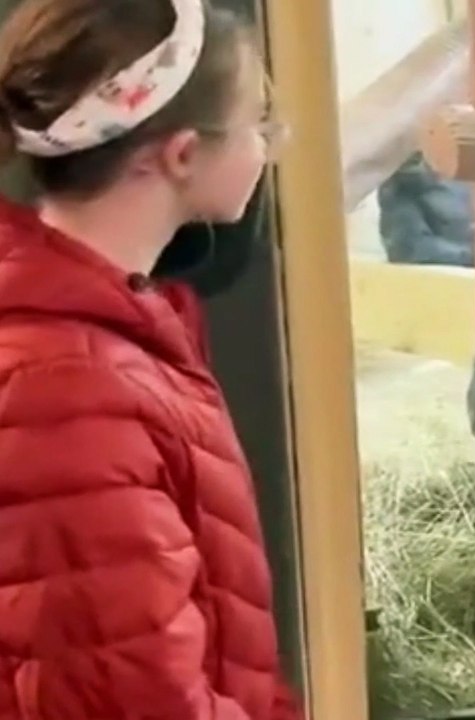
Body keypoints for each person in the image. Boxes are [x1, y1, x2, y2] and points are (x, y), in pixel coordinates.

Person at [0, 0, 299, 718]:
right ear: (183, 153)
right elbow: (135, 696)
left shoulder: (121, 328)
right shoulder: (69, 388)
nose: (266, 147)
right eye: (258, 125)